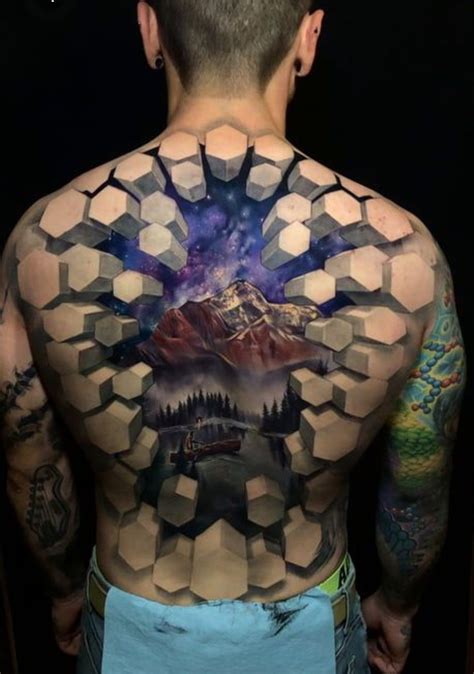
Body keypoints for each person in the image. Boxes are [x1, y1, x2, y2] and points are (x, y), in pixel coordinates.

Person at [0, 1, 466, 673]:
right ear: (308, 39)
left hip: (131, 618)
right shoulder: (407, 256)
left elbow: (30, 459)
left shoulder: (40, 244)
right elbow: (418, 477)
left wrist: (65, 588)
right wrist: (398, 604)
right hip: (307, 622)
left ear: (150, 30)